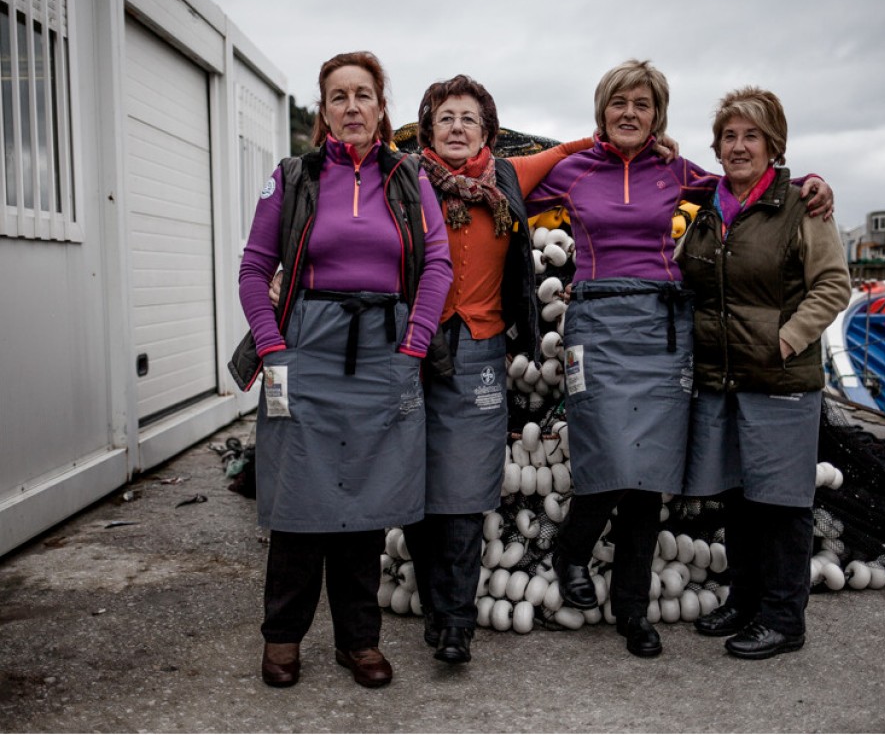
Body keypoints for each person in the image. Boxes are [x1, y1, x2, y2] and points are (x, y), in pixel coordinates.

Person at [524, 60, 833, 658]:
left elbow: (750, 187)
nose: (631, 113)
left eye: (643, 104)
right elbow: (508, 182)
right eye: (620, 103)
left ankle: (634, 612)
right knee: (608, 452)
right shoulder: (572, 171)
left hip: (664, 327)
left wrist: (812, 181)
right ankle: (571, 549)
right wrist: (575, 143)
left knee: (653, 474)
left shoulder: (677, 171)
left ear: (658, 114)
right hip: (597, 327)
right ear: (602, 111)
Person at [228, 51, 453, 689]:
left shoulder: (411, 180)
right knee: (299, 501)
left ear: (382, 108)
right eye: (338, 97)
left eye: (363, 95)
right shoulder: (293, 177)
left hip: (385, 349)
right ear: (323, 111)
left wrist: (413, 345)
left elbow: (436, 265)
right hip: (306, 348)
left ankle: (358, 641)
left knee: (367, 499)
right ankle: (282, 638)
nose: (351, 107)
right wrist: (273, 347)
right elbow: (253, 268)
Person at [402, 74, 593, 664]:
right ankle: (437, 608)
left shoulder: (508, 178)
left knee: (462, 490)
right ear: (428, 129)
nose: (457, 127)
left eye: (469, 118)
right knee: (410, 482)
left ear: (488, 130)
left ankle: (456, 623)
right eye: (446, 118)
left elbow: (570, 153)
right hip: (411, 348)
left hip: (480, 349)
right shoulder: (403, 180)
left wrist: (651, 145)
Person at [676, 86, 851, 659]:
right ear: (717, 145)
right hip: (723, 376)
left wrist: (787, 340)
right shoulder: (708, 207)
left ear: (773, 144)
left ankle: (783, 618)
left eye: (752, 135)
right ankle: (745, 600)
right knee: (738, 497)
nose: (739, 146)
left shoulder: (802, 205)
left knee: (781, 503)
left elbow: (832, 285)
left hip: (779, 378)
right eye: (730, 135)